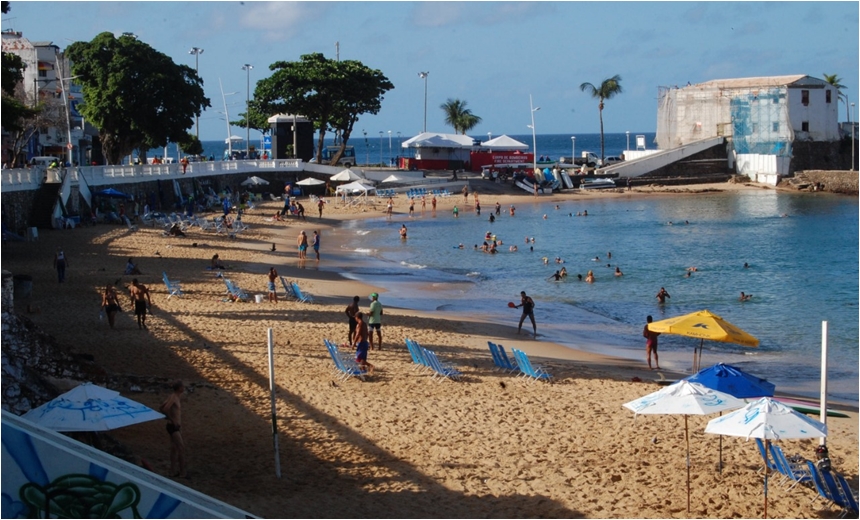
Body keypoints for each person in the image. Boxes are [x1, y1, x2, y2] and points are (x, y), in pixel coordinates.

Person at [159, 381, 187, 478]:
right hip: (173, 426)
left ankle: (172, 471)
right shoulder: (174, 397)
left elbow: (161, 407)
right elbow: (166, 408)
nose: (184, 388)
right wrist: (172, 419)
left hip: (174, 426)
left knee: (174, 449)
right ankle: (182, 472)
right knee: (181, 448)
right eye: (183, 386)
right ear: (179, 388)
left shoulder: (173, 397)